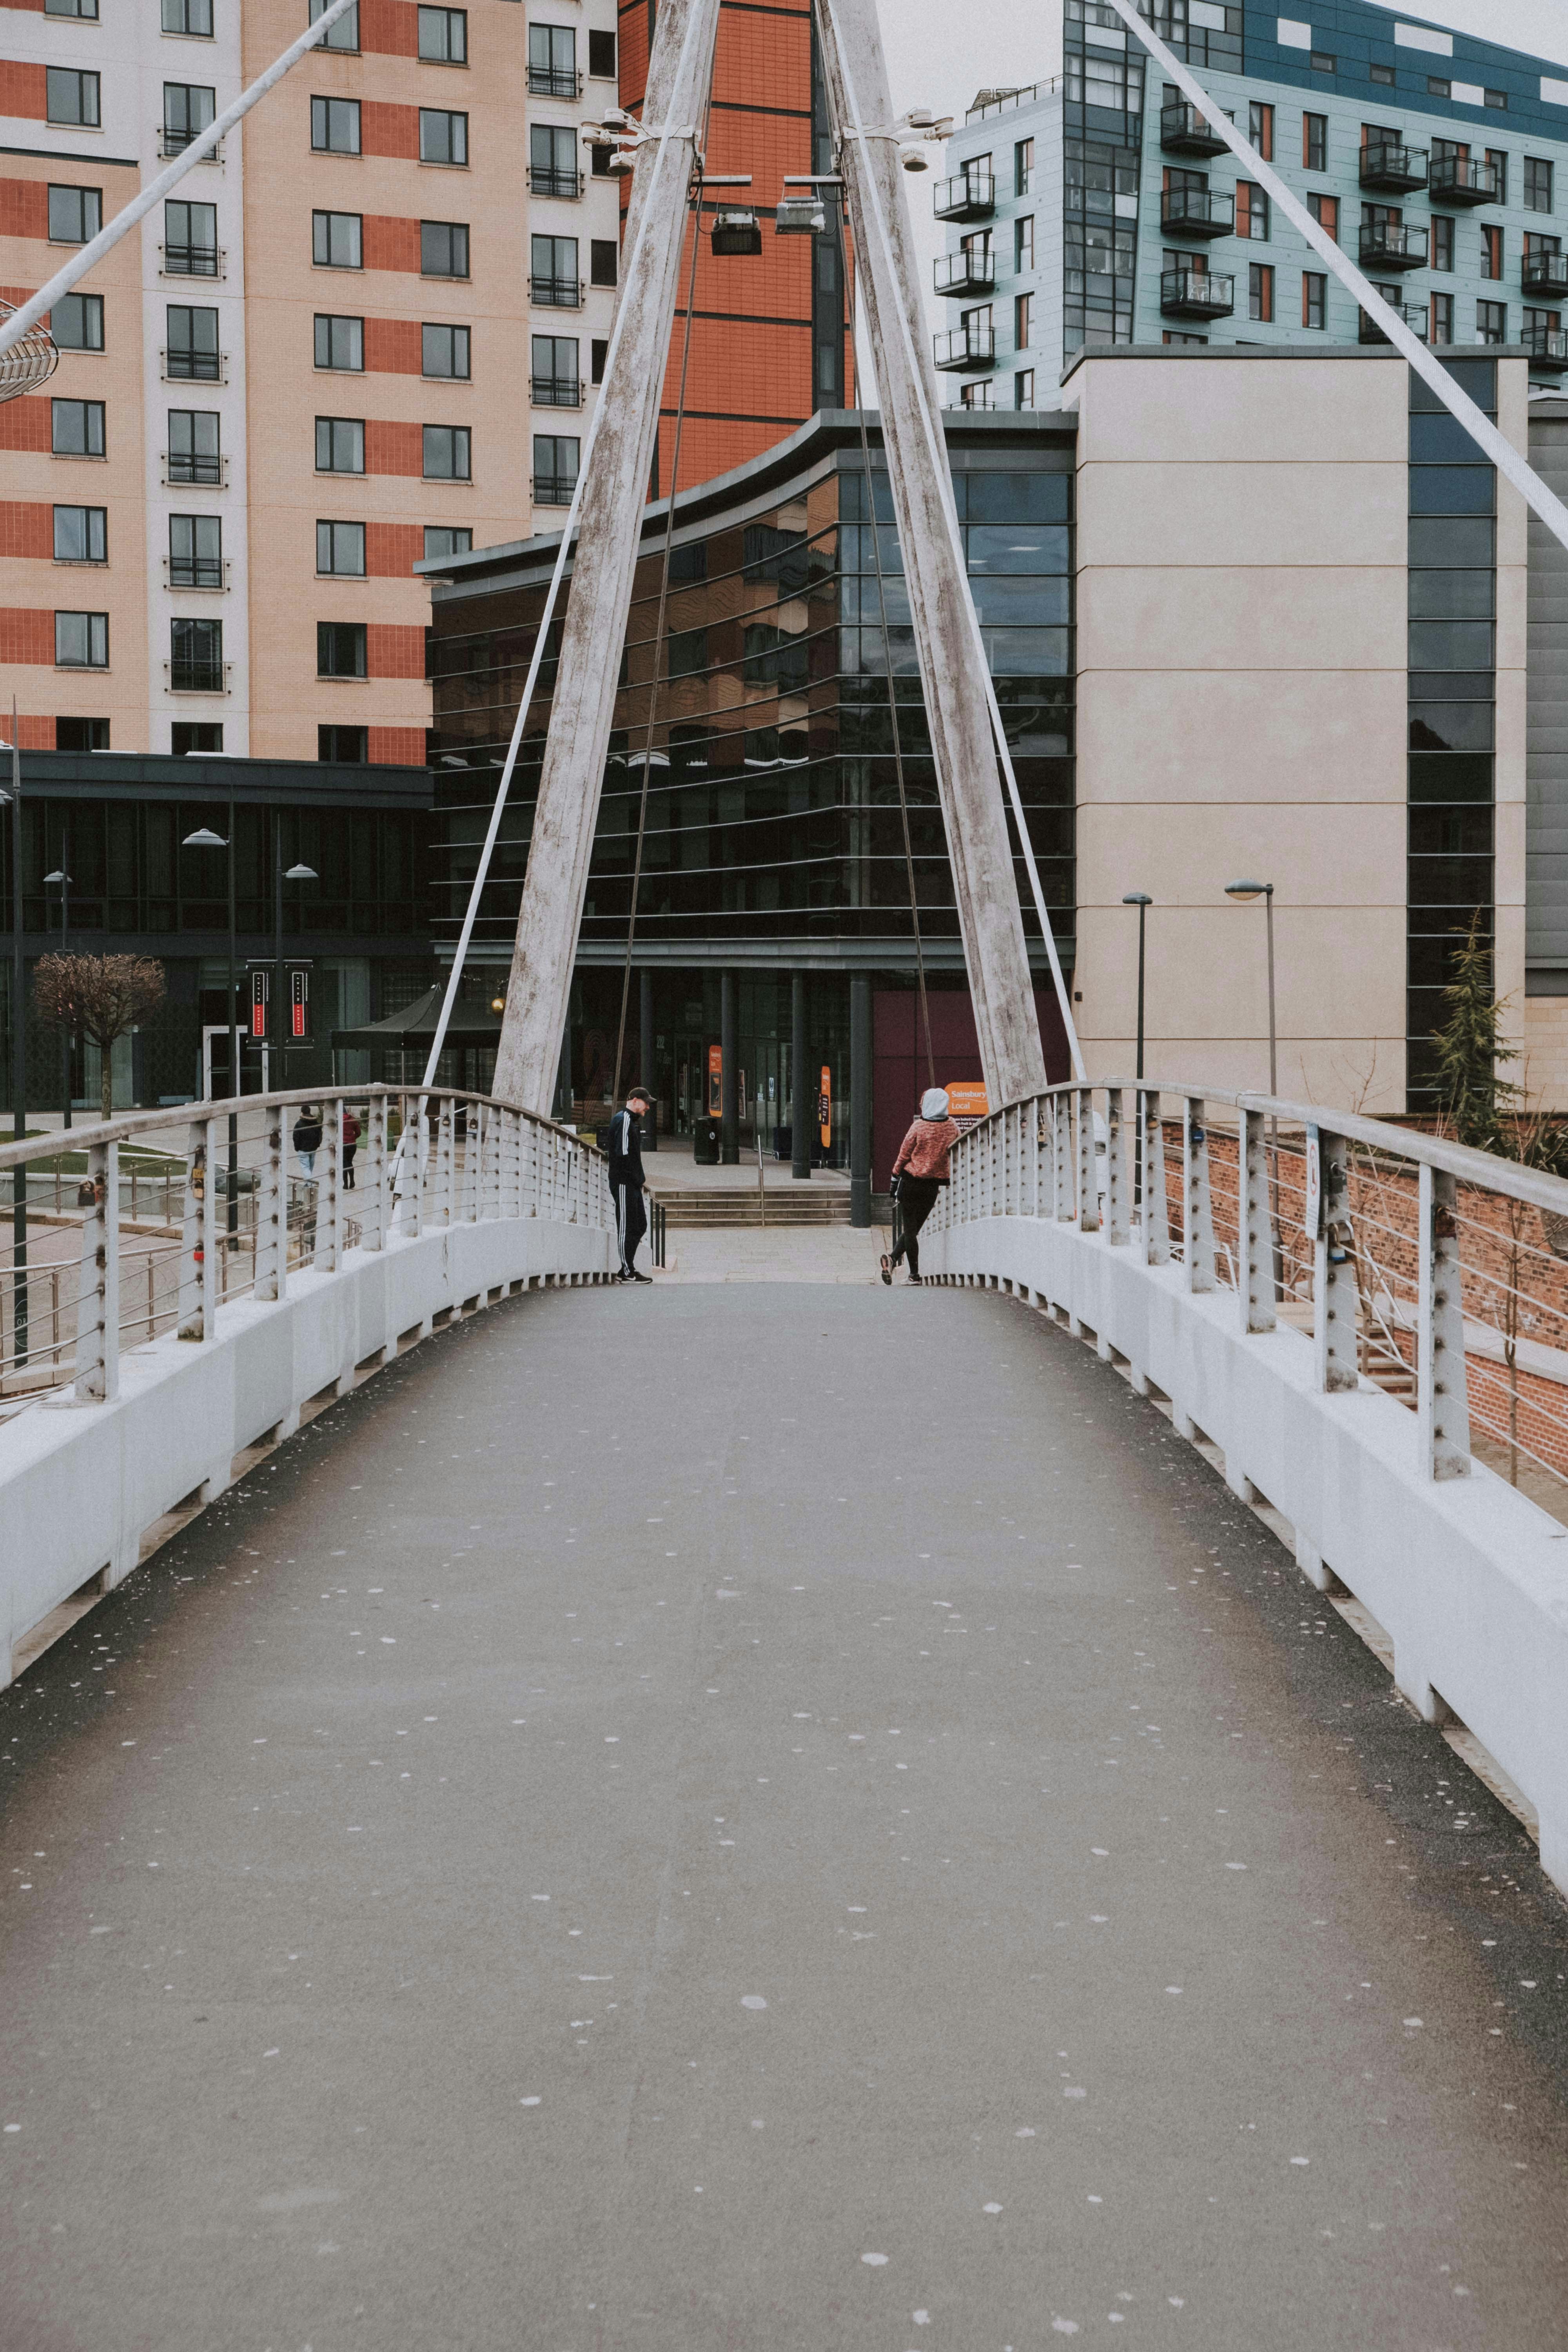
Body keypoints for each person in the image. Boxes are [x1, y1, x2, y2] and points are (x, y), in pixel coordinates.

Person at [882, 1086, 962, 1287]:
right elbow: (957, 1144)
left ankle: (914, 1275)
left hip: (910, 1183)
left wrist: (894, 1176)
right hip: (933, 1186)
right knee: (914, 1230)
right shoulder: (952, 1126)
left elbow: (904, 1154)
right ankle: (892, 1259)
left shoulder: (918, 1127)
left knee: (910, 1230)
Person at [607, 1087, 653, 1283]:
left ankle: (628, 1268)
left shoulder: (629, 1121)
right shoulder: (624, 1120)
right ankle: (627, 1271)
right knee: (626, 1226)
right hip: (624, 1182)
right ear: (635, 1101)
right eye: (646, 1103)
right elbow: (623, 1153)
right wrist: (634, 1178)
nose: (648, 1107)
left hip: (631, 1182)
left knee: (640, 1225)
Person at [293, 1103, 323, 1179]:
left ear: (302, 1112)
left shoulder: (299, 1124)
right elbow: (320, 1134)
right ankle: (308, 1184)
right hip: (313, 1148)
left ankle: (310, 1184)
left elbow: (296, 1137)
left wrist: (297, 1148)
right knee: (310, 1168)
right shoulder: (316, 1123)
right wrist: (318, 1144)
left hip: (303, 1149)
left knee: (305, 1168)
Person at [341, 1104, 361, 1190]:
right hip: (352, 1145)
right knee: (349, 1162)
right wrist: (353, 1138)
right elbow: (359, 1133)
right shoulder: (353, 1120)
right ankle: (352, 1181)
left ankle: (346, 1184)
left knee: (344, 1164)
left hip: (343, 1145)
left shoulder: (339, 1121)